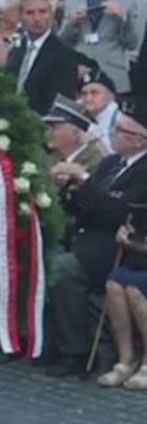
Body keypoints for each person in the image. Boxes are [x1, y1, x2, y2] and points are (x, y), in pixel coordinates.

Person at [47, 96, 147, 378]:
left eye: (120, 131)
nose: (113, 135)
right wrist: (71, 189)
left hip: (118, 246)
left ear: (139, 141)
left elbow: (120, 212)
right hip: (86, 233)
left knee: (64, 269)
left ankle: (74, 351)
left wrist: (86, 183)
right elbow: (92, 207)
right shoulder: (112, 164)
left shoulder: (143, 171)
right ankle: (48, 344)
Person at [59, 0, 138, 92]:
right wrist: (73, 22)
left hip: (114, 72)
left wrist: (123, 18)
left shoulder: (125, 1)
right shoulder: (72, 2)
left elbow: (132, 44)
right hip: (82, 72)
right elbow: (63, 43)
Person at [98, 201, 147, 389]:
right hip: (138, 261)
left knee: (135, 292)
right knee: (114, 286)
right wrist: (125, 234)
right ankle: (126, 360)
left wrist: (138, 244)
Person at [7, 0, 80, 114]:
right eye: (30, 13)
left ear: (51, 15)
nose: (37, 18)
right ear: (20, 17)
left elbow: (60, 98)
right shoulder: (18, 47)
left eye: (42, 12)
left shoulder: (63, 53)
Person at [42, 95, 105, 171]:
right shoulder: (49, 160)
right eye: (48, 128)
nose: (48, 133)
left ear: (75, 133)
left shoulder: (95, 161)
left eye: (54, 128)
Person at [78, 67, 120, 155]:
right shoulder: (94, 117)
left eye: (95, 93)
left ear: (111, 96)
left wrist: (94, 142)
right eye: (84, 94)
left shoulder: (119, 119)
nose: (88, 99)